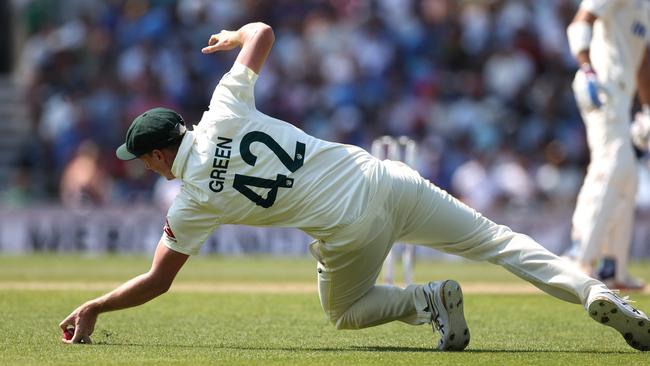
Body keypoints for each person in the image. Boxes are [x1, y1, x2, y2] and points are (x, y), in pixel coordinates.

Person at [60, 22, 650, 351]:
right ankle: (596, 293)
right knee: (499, 240)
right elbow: (265, 30)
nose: (144, 167)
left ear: (163, 152)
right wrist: (234, 36)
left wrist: (95, 306)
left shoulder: (192, 200)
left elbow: (158, 282)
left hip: (349, 231)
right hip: (385, 177)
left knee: (342, 312)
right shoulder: (222, 109)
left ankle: (425, 301)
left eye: (144, 159)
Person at [564, 0, 650, 290]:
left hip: (622, 97)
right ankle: (579, 256)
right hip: (600, 86)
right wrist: (587, 69)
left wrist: (648, 110)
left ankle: (612, 267)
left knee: (627, 173)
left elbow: (643, 57)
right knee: (614, 162)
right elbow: (580, 22)